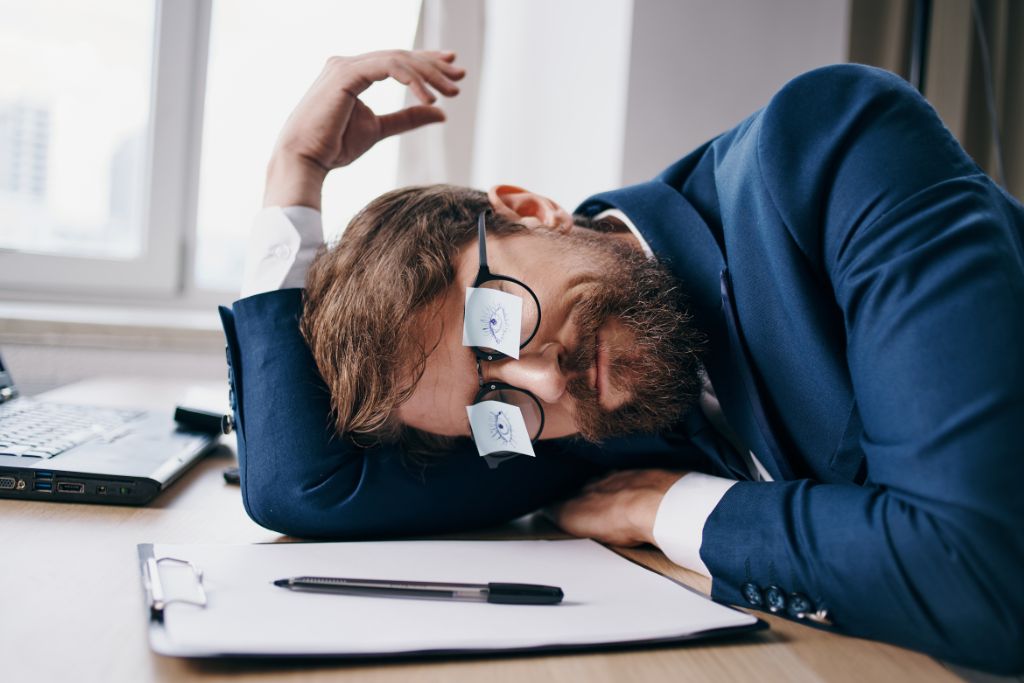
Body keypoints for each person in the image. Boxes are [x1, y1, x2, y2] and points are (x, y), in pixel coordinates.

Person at [220, 50, 1024, 673]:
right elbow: (304, 487)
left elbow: (978, 569)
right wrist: (293, 174)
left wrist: (671, 509)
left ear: (531, 210)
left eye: (496, 323)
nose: (542, 380)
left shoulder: (827, 147)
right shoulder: (562, 422)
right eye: (490, 405)